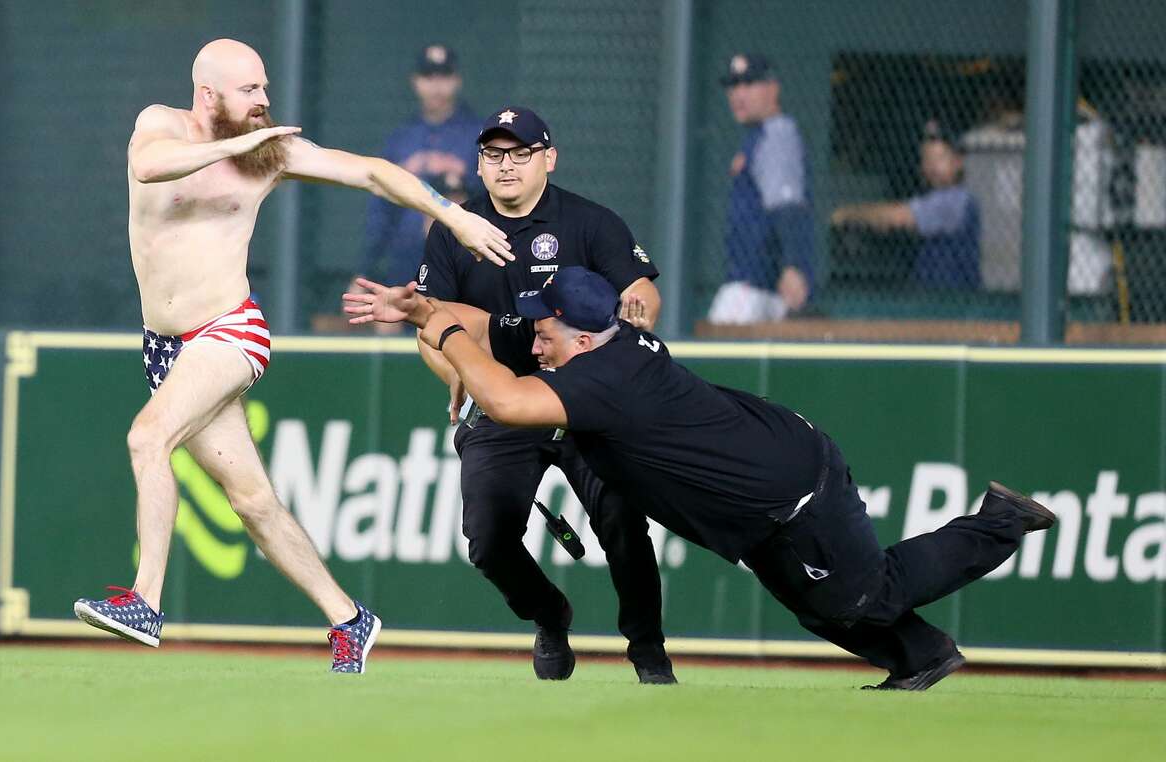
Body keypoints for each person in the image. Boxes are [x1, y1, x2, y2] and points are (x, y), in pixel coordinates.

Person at [345, 266, 1059, 691]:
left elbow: (502, 399)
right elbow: (491, 324)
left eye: (545, 333)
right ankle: (925, 657)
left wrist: (435, 330)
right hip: (759, 505)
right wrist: (427, 307)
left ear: (585, 337)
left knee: (866, 594)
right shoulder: (602, 341)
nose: (533, 341)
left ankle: (999, 521)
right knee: (818, 608)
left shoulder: (603, 378)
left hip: (791, 492)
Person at [71, 38, 512, 674]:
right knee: (251, 502)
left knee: (148, 437)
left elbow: (370, 172)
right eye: (249, 90)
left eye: (264, 88)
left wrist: (452, 215)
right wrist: (232, 148)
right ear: (208, 94)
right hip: (164, 346)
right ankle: (349, 619)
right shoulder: (159, 125)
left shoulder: (271, 151)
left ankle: (146, 601)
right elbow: (151, 167)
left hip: (229, 331)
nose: (264, 102)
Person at [403, 106, 675, 684]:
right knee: (488, 538)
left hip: (585, 398)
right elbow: (431, 324)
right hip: (505, 398)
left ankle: (648, 653)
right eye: (493, 154)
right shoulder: (454, 231)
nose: (506, 166)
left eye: (519, 153)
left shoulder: (590, 222)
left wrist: (632, 322)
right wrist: (457, 370)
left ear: (547, 159)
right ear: (478, 164)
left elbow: (641, 295)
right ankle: (550, 616)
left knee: (624, 525)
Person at [354, 44, 483, 293]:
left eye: (444, 76)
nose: (436, 85)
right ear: (415, 81)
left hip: (460, 258)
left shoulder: (478, 133)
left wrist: (459, 176)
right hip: (403, 258)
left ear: (456, 80)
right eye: (428, 77)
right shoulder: (401, 138)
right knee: (388, 321)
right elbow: (381, 211)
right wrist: (366, 268)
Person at [709, 53, 816, 325]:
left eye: (749, 84)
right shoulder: (757, 136)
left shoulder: (776, 134)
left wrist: (793, 266)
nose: (738, 94)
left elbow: (788, 206)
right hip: (758, 288)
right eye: (734, 86)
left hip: (756, 287)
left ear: (773, 88)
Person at [832, 120, 981, 290]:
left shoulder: (955, 200)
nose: (932, 168)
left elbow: (899, 217)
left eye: (940, 159)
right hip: (930, 294)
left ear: (957, 162)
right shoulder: (933, 197)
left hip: (954, 300)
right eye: (927, 160)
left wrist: (845, 215)